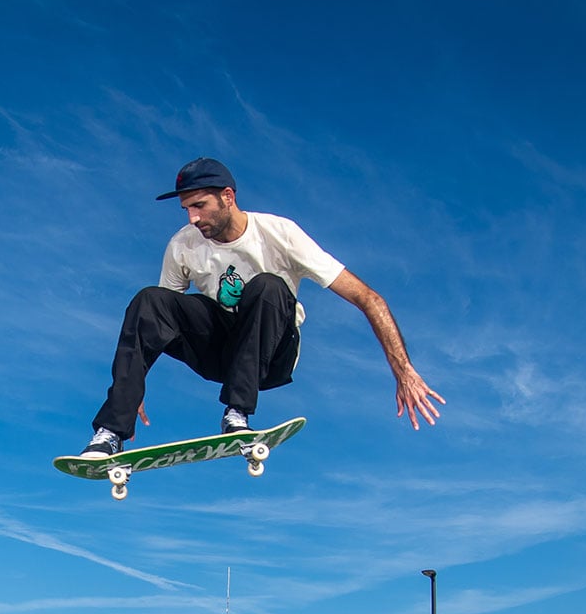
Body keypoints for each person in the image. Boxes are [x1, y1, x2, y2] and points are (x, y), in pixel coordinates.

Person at [80, 157, 444, 457]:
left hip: (272, 355)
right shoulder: (183, 244)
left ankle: (237, 412)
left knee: (268, 286)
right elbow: (156, 323)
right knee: (149, 299)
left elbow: (368, 297)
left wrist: (404, 371)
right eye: (187, 209)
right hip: (219, 353)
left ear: (227, 197)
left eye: (199, 206)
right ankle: (111, 431)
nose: (193, 218)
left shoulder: (279, 233)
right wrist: (133, 385)